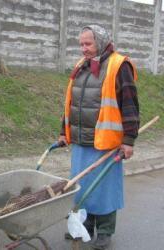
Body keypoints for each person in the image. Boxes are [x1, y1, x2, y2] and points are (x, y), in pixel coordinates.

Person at [59, 25, 139, 250]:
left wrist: (129, 140)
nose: (83, 48)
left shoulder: (118, 65)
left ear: (101, 42)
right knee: (83, 187)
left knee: (103, 189)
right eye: (81, 44)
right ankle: (86, 227)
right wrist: (63, 133)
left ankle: (105, 231)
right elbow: (71, 103)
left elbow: (130, 105)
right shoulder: (81, 66)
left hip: (106, 142)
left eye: (88, 44)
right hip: (81, 140)